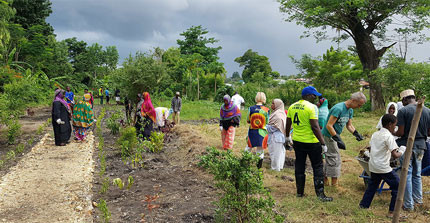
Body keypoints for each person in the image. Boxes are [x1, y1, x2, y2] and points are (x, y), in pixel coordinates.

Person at [285, 86, 332, 202]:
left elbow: (288, 122)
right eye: (313, 95)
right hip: (311, 142)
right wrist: (323, 143)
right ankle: (320, 195)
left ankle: (300, 193)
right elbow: (315, 126)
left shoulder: (292, 106)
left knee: (300, 166)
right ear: (307, 95)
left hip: (297, 141)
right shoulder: (312, 107)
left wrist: (287, 136)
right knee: (317, 167)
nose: (315, 97)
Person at [360, 114, 406, 217]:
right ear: (390, 124)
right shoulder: (388, 136)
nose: (395, 127)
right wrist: (402, 150)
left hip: (373, 165)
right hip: (383, 167)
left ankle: (363, 206)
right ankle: (392, 212)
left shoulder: (375, 134)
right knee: (398, 186)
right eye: (395, 125)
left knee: (372, 186)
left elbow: (371, 149)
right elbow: (395, 155)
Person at [394, 89, 430, 211]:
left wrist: (393, 132)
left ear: (404, 99)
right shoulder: (427, 110)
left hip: (407, 146)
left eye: (402, 101)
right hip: (421, 146)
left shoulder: (403, 111)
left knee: (407, 174)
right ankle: (418, 200)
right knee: (417, 174)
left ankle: (408, 205)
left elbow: (401, 132)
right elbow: (429, 132)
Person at [322, 92, 366, 186]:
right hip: (328, 135)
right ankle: (333, 184)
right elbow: (329, 125)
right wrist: (338, 139)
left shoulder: (350, 110)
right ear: (353, 100)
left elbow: (349, 125)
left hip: (334, 135)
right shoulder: (339, 108)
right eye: (358, 105)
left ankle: (325, 179)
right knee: (334, 158)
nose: (359, 107)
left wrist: (356, 133)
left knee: (332, 157)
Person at [244, 92, 269, 168]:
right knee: (260, 150)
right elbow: (267, 122)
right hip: (262, 132)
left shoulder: (250, 108)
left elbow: (248, 120)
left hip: (252, 130)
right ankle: (258, 168)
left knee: (249, 147)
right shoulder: (266, 110)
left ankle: (245, 164)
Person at [267, 99, 286, 171]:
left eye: (273, 103)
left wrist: (264, 126)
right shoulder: (279, 113)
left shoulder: (278, 115)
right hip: (279, 136)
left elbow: (274, 127)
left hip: (275, 136)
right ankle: (279, 166)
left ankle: (275, 168)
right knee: (280, 152)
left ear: (277, 105)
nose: (271, 105)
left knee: (275, 153)